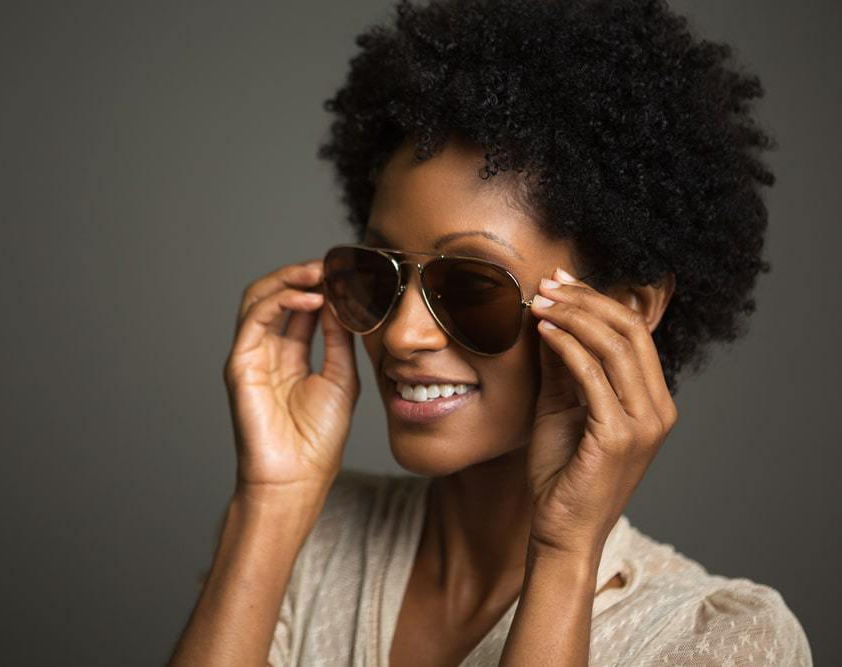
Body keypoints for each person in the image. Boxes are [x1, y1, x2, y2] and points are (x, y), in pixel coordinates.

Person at [170, 0, 813, 664]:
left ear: (626, 306)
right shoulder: (300, 543)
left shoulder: (720, 640)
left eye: (472, 287)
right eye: (378, 272)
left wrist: (564, 552)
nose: (401, 334)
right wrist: (270, 502)